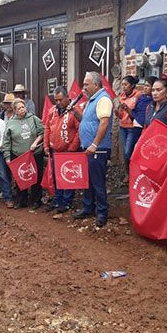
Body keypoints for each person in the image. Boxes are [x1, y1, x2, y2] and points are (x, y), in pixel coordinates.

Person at [68, 71, 114, 228]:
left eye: (87, 84)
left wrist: (94, 144)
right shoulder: (91, 100)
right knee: (87, 180)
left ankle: (102, 212)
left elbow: (104, 123)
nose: (84, 88)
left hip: (98, 149)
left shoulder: (103, 100)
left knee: (97, 182)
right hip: (88, 148)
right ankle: (88, 208)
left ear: (96, 84)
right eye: (83, 84)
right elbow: (87, 121)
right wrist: (75, 112)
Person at [43, 86, 80, 213]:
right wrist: (46, 145)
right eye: (56, 100)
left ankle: (66, 203)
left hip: (68, 151)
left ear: (67, 98)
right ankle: (57, 201)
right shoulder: (52, 111)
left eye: (60, 100)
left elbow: (79, 130)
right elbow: (47, 128)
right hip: (55, 150)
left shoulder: (74, 111)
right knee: (56, 177)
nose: (58, 103)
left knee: (68, 177)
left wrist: (72, 147)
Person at [2, 98, 45, 209]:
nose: (22, 110)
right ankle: (22, 200)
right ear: (15, 110)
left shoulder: (33, 118)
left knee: (36, 177)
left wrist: (35, 143)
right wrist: (7, 157)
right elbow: (6, 141)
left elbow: (43, 132)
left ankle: (36, 200)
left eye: (23, 107)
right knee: (21, 177)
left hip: (35, 154)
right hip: (19, 155)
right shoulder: (11, 123)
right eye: (19, 108)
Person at [117, 75, 142, 179]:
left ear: (132, 85)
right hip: (123, 126)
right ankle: (128, 174)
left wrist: (128, 109)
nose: (124, 87)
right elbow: (121, 115)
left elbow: (137, 113)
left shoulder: (138, 95)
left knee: (129, 152)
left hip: (133, 127)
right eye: (122, 84)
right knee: (125, 152)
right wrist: (117, 113)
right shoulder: (121, 96)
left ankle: (135, 173)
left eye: (126, 84)